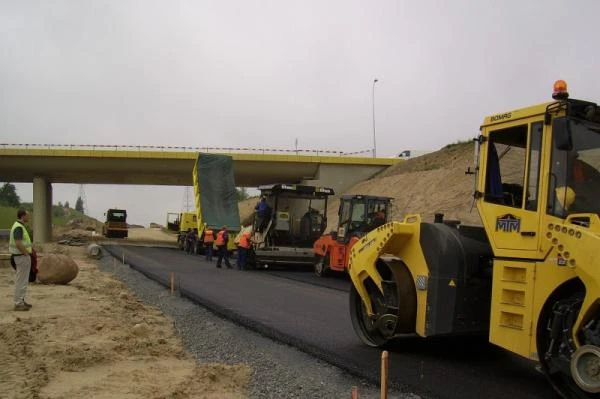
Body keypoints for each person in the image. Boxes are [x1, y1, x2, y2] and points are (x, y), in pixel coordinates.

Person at [9, 209, 33, 311]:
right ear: (23, 216)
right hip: (21, 257)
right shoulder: (18, 227)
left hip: (20, 256)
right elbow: (18, 243)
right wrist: (26, 253)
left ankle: (21, 300)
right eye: (28, 215)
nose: (29, 217)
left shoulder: (19, 226)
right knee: (21, 281)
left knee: (22, 280)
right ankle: (18, 303)